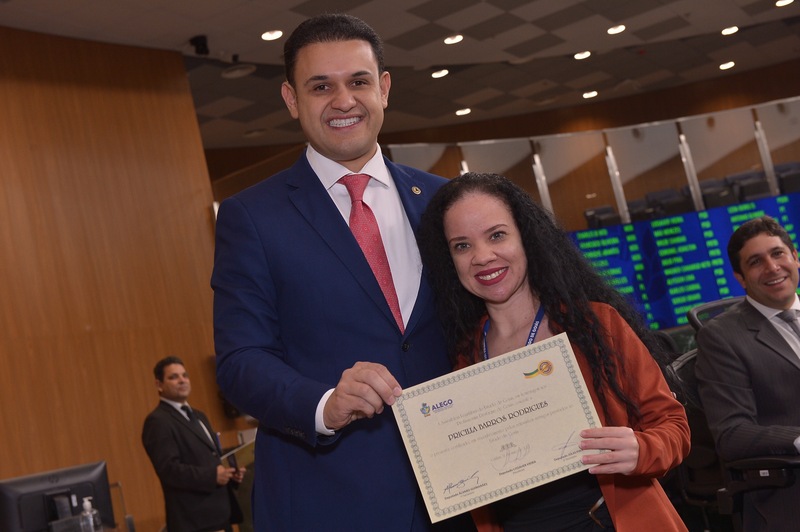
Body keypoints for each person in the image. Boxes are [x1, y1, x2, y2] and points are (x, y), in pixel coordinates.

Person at [210, 13, 474, 531]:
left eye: (358, 81)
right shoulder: (252, 217)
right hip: (327, 501)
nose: (344, 100)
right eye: (321, 87)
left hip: (459, 493)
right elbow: (241, 360)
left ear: (384, 89)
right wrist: (324, 404)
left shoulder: (444, 200)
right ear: (292, 100)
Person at [417, 172, 691, 531]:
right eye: (462, 245)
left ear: (526, 237)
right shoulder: (463, 358)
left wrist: (641, 449)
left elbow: (674, 427)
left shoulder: (596, 325)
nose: (482, 257)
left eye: (497, 235)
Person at [694, 216, 800, 531]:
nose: (772, 267)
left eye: (778, 254)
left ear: (795, 257)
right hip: (789, 490)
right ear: (740, 278)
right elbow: (731, 433)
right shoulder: (721, 337)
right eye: (756, 262)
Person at [141, 356, 244, 532]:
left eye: (185, 375)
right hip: (194, 522)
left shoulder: (199, 415)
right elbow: (169, 470)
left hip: (221, 516)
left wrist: (229, 474)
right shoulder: (157, 421)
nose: (182, 380)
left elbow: (212, 459)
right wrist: (212, 476)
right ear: (159, 385)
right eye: (173, 377)